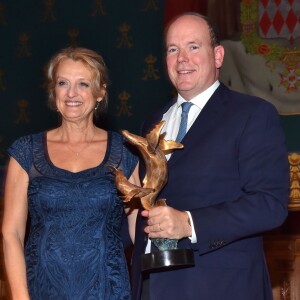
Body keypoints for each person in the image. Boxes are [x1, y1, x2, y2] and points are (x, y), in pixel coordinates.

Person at [131, 13, 290, 300]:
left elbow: (270, 205)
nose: (182, 59)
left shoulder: (252, 115)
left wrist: (190, 223)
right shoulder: (152, 123)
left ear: (217, 56)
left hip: (220, 287)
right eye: (172, 49)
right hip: (152, 285)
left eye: (193, 47)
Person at [2, 47, 139, 300]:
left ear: (100, 93)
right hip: (40, 290)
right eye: (63, 83)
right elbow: (11, 233)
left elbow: (139, 231)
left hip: (109, 292)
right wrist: (20, 296)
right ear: (54, 92)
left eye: (83, 84)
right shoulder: (25, 152)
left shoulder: (124, 153)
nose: (72, 93)